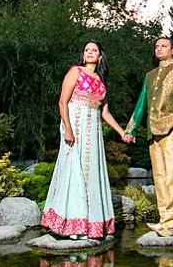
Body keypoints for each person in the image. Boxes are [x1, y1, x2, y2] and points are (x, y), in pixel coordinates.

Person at [40, 41, 125, 240]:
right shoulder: (75, 71)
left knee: (91, 172)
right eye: (87, 50)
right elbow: (62, 102)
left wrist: (122, 132)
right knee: (73, 171)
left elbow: (105, 112)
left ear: (100, 56)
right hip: (75, 125)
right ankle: (71, 224)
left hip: (93, 131)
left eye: (94, 50)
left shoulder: (101, 82)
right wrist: (68, 128)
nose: (89, 53)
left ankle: (91, 224)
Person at [123, 36, 173, 237]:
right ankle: (164, 219)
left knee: (172, 175)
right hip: (152, 130)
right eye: (156, 46)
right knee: (159, 176)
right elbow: (141, 104)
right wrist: (131, 128)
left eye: (164, 46)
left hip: (172, 128)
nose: (159, 49)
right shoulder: (150, 75)